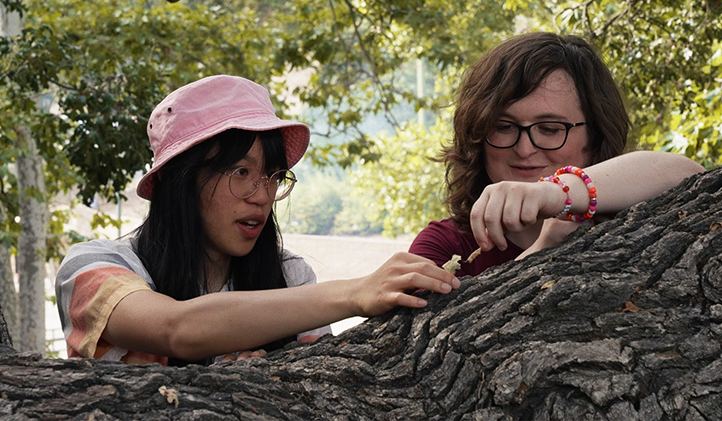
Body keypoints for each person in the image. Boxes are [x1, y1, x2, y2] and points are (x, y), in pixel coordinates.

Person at [56, 75, 460, 365]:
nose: (263, 196)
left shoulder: (291, 277)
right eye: (240, 172)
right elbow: (174, 329)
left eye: (272, 176)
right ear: (180, 181)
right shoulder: (96, 268)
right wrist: (357, 293)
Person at [409, 32, 705, 276]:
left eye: (550, 129)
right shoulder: (444, 247)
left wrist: (556, 193)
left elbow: (687, 175)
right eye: (503, 126)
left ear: (595, 134)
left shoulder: (632, 215)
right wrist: (541, 251)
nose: (524, 149)